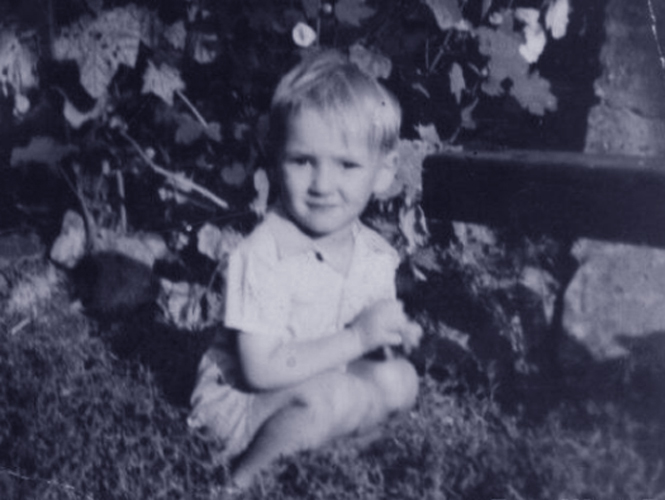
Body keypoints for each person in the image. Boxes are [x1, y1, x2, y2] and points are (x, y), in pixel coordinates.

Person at [187, 49, 422, 490]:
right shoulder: (264, 255)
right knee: (335, 394)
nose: (322, 185)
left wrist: (388, 336)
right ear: (276, 158)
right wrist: (358, 338)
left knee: (400, 381)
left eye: (347, 165)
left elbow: (367, 347)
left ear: (383, 172)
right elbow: (260, 370)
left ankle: (326, 464)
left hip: (318, 389)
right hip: (242, 405)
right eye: (302, 161)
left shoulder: (375, 256)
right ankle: (240, 484)